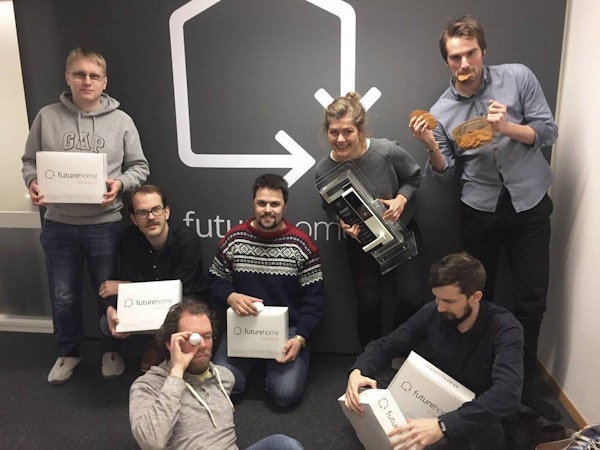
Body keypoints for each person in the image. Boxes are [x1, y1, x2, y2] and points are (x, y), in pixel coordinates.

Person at [409, 16, 560, 422]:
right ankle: (485, 381)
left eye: (471, 53)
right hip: (479, 209)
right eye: (455, 57)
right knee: (480, 298)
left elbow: (548, 132)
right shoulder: (441, 110)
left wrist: (507, 127)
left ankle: (523, 382)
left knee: (531, 300)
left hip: (529, 202)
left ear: (483, 51)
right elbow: (444, 174)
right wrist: (430, 144)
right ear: (447, 60)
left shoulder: (518, 77)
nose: (464, 64)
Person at [21, 48, 149, 385]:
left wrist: (120, 184)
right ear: (68, 77)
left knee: (107, 293)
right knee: (63, 295)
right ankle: (68, 352)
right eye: (79, 74)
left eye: (94, 75)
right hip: (58, 223)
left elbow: (139, 167)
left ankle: (111, 350)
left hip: (104, 225)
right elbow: (29, 162)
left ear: (104, 81)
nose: (86, 81)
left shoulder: (122, 121)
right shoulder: (47, 117)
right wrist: (32, 182)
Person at [345, 253, 524, 450]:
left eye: (449, 301)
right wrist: (358, 371)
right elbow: (386, 345)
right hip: (436, 392)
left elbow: (507, 393)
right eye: (437, 298)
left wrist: (442, 425)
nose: (440, 308)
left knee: (486, 435)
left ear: (475, 297)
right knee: (367, 393)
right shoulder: (432, 311)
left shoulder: (505, 328)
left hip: (476, 408)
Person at [314, 92, 425, 349]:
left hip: (400, 231)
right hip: (361, 241)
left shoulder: (386, 151)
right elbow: (329, 206)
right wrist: (340, 222)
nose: (340, 139)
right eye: (334, 132)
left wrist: (401, 200)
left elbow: (414, 177)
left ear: (360, 130)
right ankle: (369, 358)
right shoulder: (323, 170)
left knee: (411, 299)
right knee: (368, 304)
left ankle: (399, 352)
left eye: (347, 131)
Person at [208, 173, 325, 408]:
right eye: (262, 203)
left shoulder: (301, 245)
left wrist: (300, 338)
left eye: (275, 204)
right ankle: (253, 367)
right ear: (253, 203)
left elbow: (315, 299)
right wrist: (231, 296)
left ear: (285, 206)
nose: (268, 210)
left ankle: (271, 367)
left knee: (285, 395)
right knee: (220, 385)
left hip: (288, 330)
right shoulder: (234, 239)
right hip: (243, 325)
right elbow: (214, 280)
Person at [129, 298, 304, 450]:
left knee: (284, 444)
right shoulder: (147, 386)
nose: (203, 345)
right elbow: (151, 443)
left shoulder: (224, 377)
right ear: (170, 343)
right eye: (193, 338)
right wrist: (176, 373)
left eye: (207, 336)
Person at [98, 184, 208, 370]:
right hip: (147, 303)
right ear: (134, 219)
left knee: (186, 313)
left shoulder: (186, 240)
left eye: (156, 209)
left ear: (166, 212)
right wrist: (111, 309)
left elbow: (178, 291)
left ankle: (159, 343)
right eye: (142, 213)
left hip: (184, 301)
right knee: (106, 322)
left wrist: (127, 286)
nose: (150, 217)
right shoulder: (130, 238)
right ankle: (155, 340)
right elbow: (127, 282)